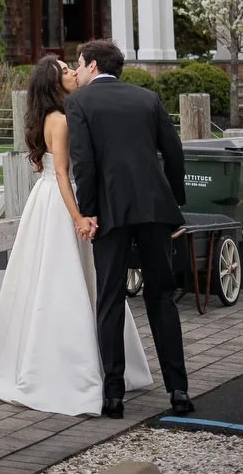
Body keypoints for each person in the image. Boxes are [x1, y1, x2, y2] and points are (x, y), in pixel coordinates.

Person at [0, 55, 153, 415]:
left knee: (67, 279)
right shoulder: (59, 119)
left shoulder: (55, 115)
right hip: (62, 202)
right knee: (64, 281)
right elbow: (61, 174)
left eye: (73, 68)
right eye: (67, 71)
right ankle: (71, 371)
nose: (74, 72)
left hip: (48, 200)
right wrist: (79, 216)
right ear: (56, 84)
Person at [65, 38, 194, 420]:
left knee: (110, 299)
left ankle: (114, 396)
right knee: (162, 297)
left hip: (109, 213)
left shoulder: (79, 103)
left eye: (78, 62)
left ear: (90, 65)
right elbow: (173, 152)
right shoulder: (147, 98)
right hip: (154, 209)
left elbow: (84, 163)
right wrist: (175, 206)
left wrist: (87, 212)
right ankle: (179, 390)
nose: (77, 68)